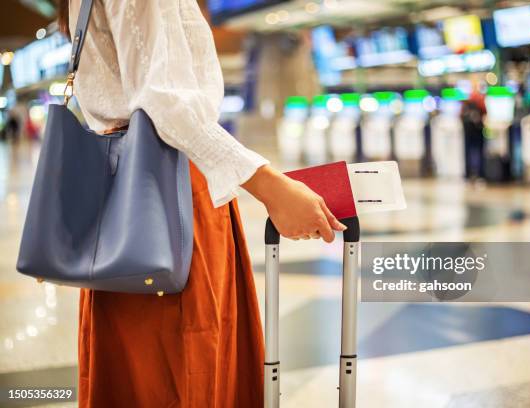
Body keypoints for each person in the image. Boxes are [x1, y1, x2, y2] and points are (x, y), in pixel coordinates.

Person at [57, 1, 346, 406]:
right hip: (166, 198)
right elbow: (167, 106)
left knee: (143, 367)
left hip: (133, 200)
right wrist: (271, 186)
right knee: (182, 364)